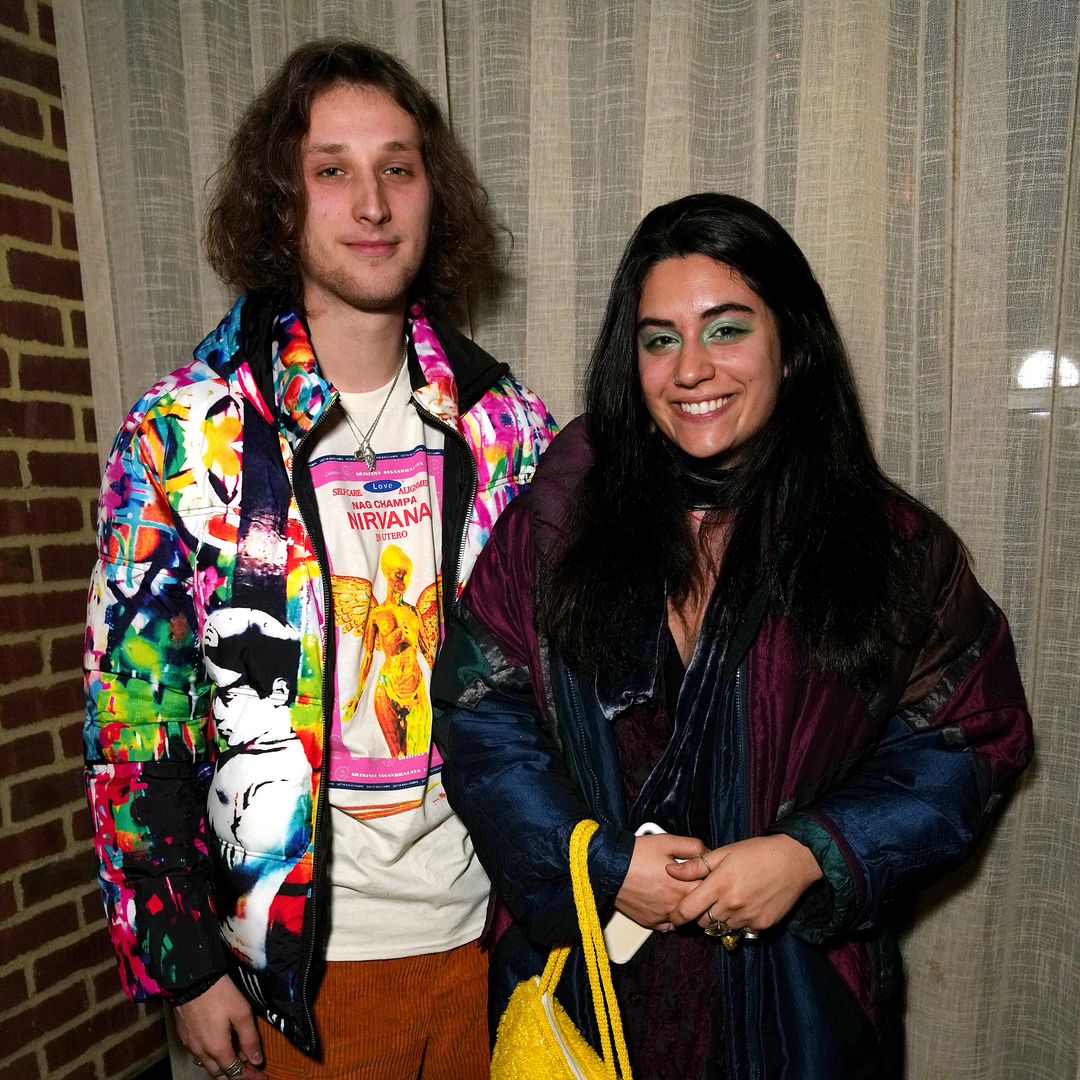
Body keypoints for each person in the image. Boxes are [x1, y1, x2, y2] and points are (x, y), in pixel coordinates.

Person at [431, 192, 1032, 1079]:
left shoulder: (893, 548)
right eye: (660, 338)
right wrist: (595, 864)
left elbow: (969, 738)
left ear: (791, 345)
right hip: (594, 1001)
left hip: (793, 1009)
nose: (691, 369)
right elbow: (481, 709)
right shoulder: (561, 519)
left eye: (726, 329)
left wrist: (812, 854)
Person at [83, 38, 556, 1080]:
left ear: (436, 194)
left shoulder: (507, 430)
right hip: (294, 979)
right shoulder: (184, 433)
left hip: (496, 950)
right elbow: (134, 721)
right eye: (332, 170)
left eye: (398, 166)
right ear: (281, 203)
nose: (373, 203)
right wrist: (185, 961)